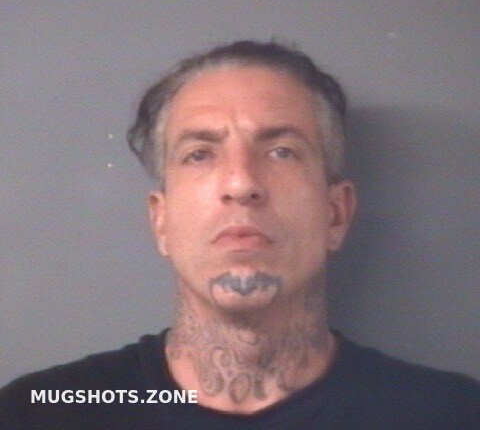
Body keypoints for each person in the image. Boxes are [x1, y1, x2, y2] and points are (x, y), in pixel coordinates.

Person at [1, 40, 479, 429]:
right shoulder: (41, 414)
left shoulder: (451, 415)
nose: (241, 183)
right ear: (161, 221)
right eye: (200, 154)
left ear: (336, 214)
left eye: (282, 151)